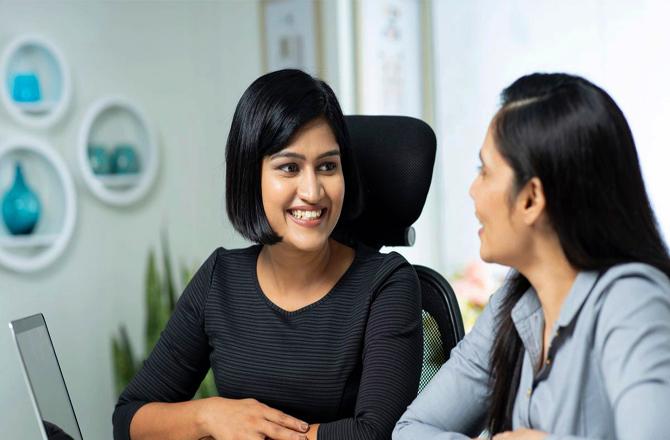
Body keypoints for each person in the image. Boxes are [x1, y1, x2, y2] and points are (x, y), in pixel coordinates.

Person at [112, 69, 422, 440]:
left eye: (327, 166)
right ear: (250, 176)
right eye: (289, 168)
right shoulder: (220, 279)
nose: (312, 190)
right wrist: (209, 416)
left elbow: (374, 434)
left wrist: (257, 432)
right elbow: (129, 420)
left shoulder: (387, 283)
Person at [393, 73, 670, 440]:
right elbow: (411, 431)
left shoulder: (631, 300)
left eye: (485, 171)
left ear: (531, 199)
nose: (473, 190)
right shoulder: (515, 301)